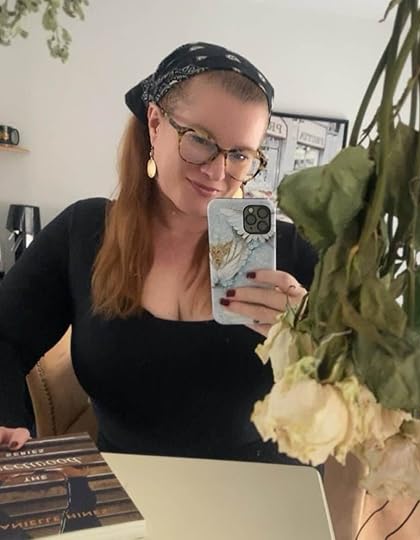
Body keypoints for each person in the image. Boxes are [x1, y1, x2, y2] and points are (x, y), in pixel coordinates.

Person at [0, 42, 317, 464]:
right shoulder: (86, 232)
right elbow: (5, 336)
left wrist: (317, 338)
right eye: (200, 140)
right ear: (154, 123)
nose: (217, 172)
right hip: (126, 487)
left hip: (264, 487)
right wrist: (8, 420)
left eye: (240, 154)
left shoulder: (291, 253)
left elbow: (379, 377)